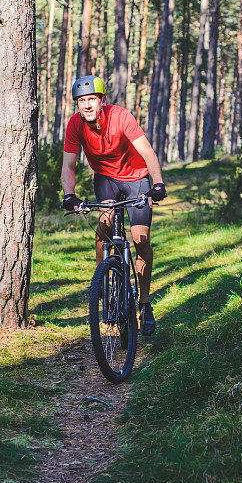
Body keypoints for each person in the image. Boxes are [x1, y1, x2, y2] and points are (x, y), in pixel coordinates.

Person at [60, 75, 167, 336]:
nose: (86, 106)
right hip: (105, 179)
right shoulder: (75, 124)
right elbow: (68, 165)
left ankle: (144, 302)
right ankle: (103, 282)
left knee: (140, 239)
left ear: (102, 100)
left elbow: (147, 152)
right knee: (104, 224)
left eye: (91, 100)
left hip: (136, 178)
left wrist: (158, 184)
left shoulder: (120, 116)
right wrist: (69, 194)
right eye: (81, 101)